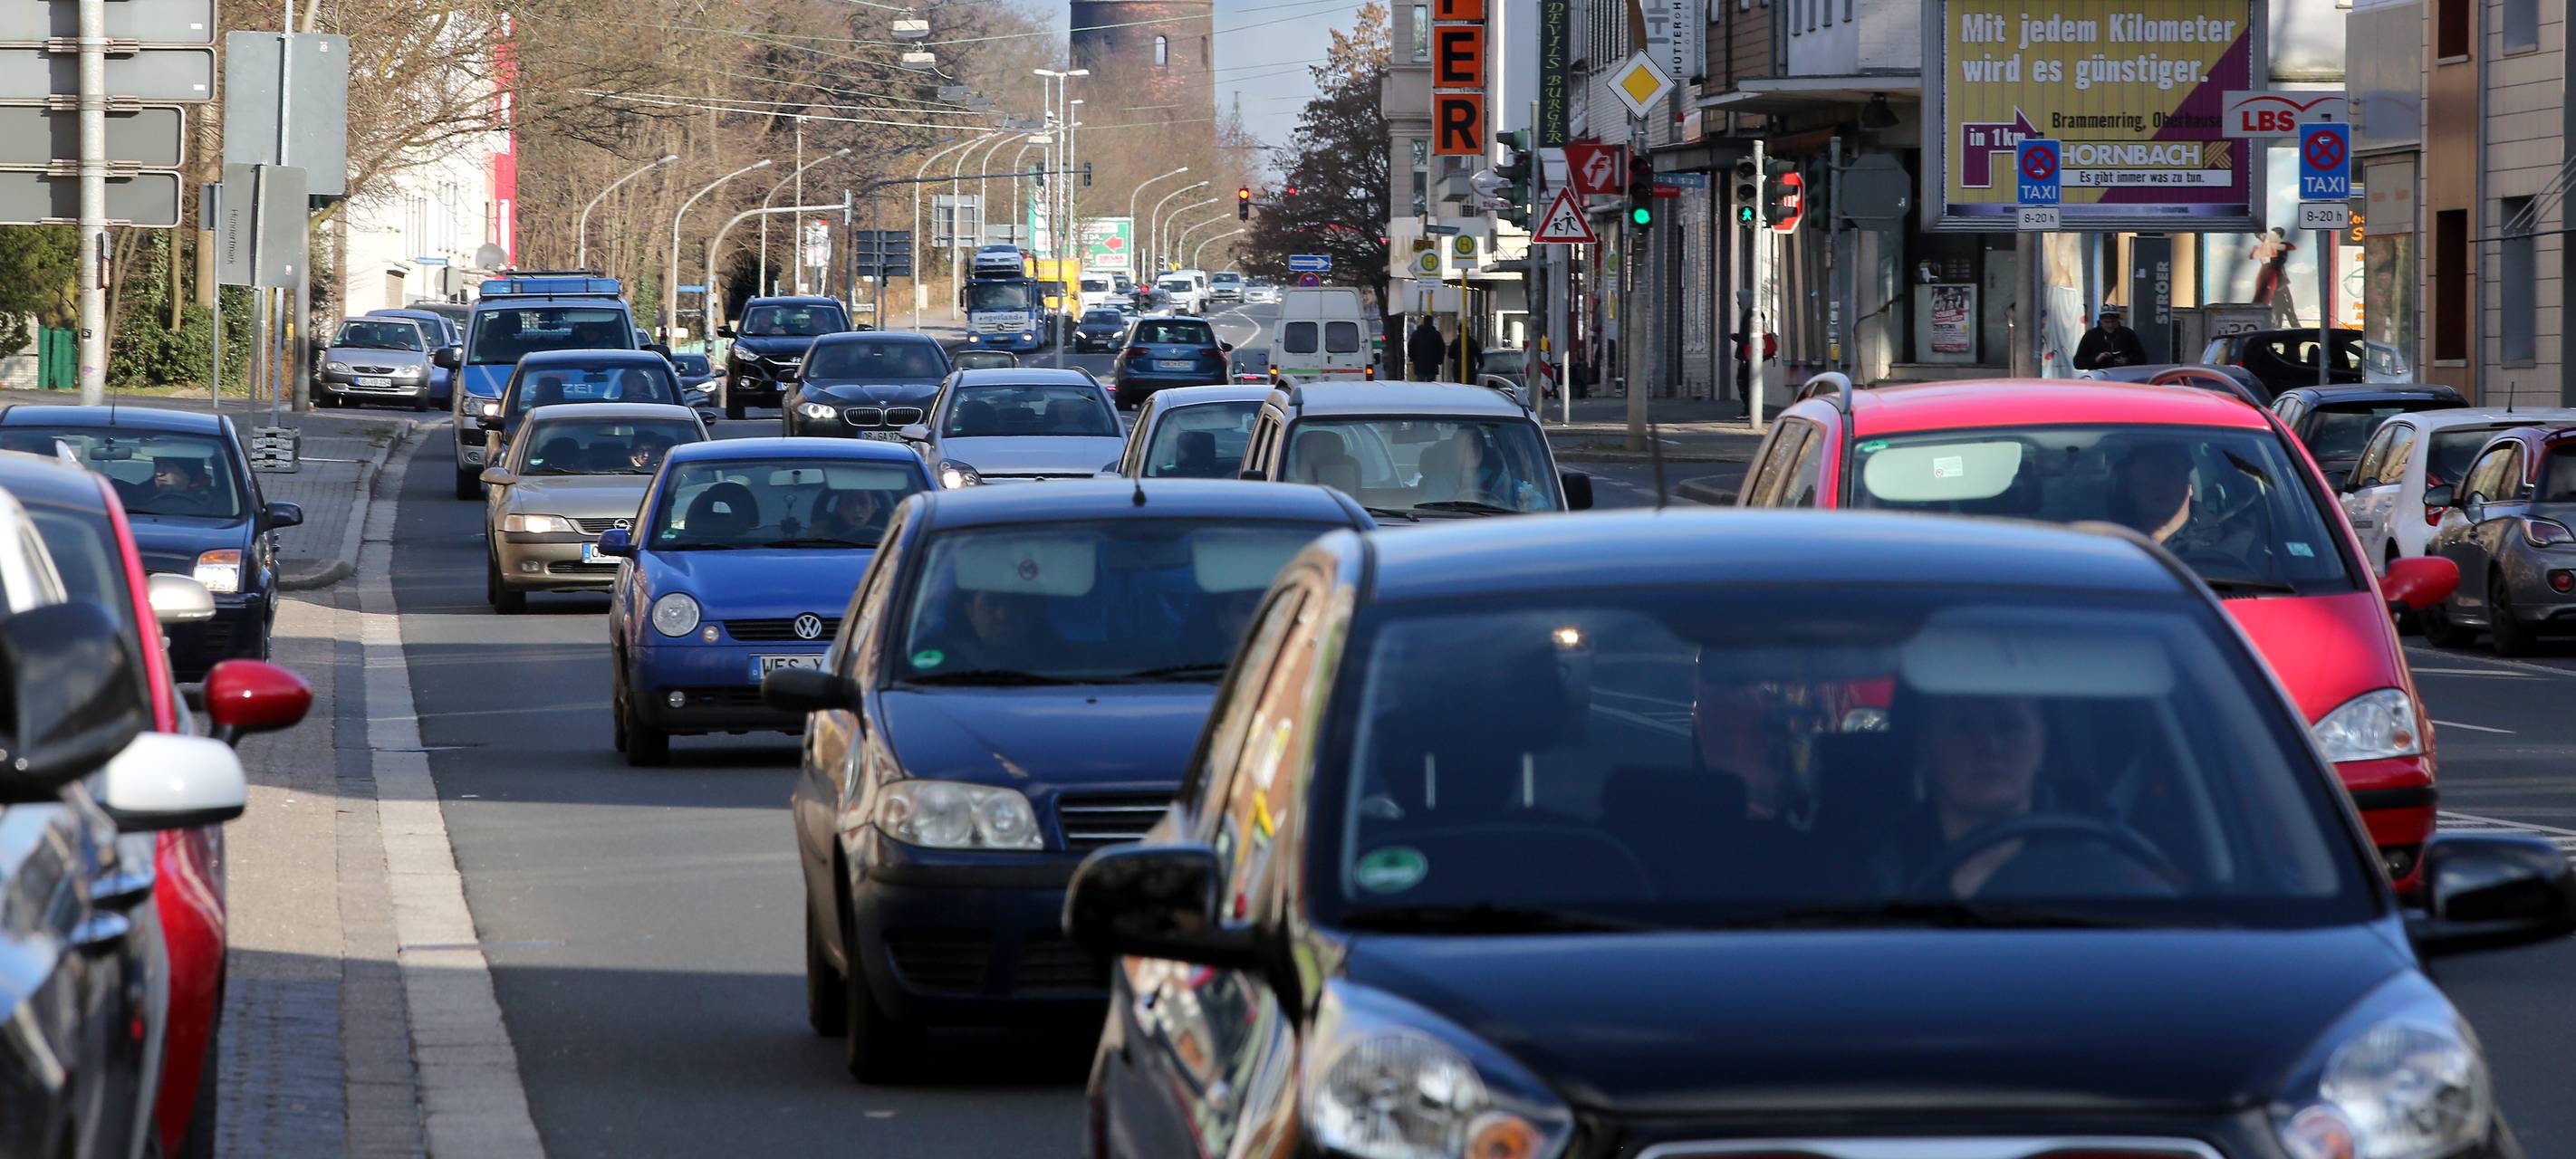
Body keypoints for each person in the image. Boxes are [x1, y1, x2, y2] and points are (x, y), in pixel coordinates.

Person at [2106, 442, 2196, 545]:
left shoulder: (2216, 542)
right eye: (2149, 474)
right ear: (2131, 489)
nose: (2160, 483)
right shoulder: (2106, 543)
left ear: (2189, 486)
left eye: (2169, 472)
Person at [2072, 309, 2149, 371]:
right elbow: (2078, 363)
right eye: (2107, 322)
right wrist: (2096, 359)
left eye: (2113, 322)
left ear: (2118, 320)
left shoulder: (2128, 334)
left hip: (2124, 376)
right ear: (2101, 321)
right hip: (2099, 377)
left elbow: (2142, 358)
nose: (2110, 325)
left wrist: (2127, 360)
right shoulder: (2091, 335)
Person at [1407, 316, 1445, 381]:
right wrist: (1439, 360)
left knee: (1420, 383)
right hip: (1432, 364)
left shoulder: (1416, 334)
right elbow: (1441, 349)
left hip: (1419, 364)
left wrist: (1413, 358)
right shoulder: (1436, 335)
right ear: (1431, 323)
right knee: (1431, 385)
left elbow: (1410, 347)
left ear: (1423, 322)